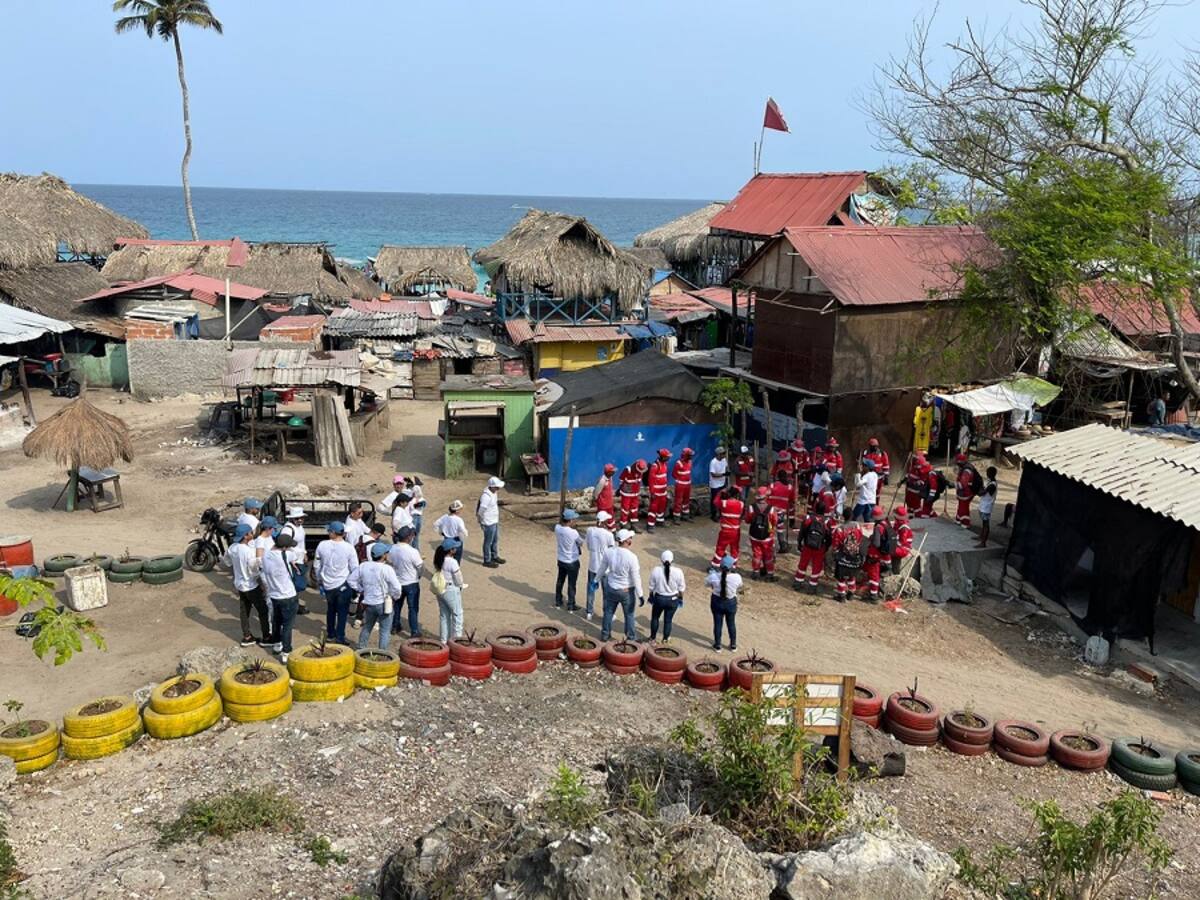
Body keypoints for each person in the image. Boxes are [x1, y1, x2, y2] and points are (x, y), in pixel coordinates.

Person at [222, 523, 269, 647]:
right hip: (251, 585)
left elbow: (226, 561)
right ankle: (266, 636)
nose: (252, 535)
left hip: (240, 585)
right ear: (246, 536)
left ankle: (247, 636)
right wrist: (262, 584)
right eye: (250, 533)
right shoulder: (248, 552)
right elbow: (254, 571)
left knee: (244, 611)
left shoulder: (232, 548)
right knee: (263, 610)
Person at [313, 520, 359, 645]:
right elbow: (355, 568)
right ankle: (340, 637)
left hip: (327, 585)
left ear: (333, 532)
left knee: (331, 610)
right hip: (343, 583)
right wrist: (355, 585)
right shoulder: (349, 548)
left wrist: (319, 580)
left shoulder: (322, 545)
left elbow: (317, 565)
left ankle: (330, 634)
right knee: (342, 612)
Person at [350, 542, 401, 651]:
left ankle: (360, 648)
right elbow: (397, 588)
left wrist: (361, 589)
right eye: (387, 553)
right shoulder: (387, 569)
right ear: (383, 555)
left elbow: (351, 580)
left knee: (367, 627)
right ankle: (382, 653)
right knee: (384, 631)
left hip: (368, 603)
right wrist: (394, 597)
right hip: (383, 604)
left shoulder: (364, 566)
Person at [261, 533, 303, 663]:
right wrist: (290, 551)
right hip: (288, 595)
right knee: (287, 625)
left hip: (274, 595)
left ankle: (277, 644)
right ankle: (286, 651)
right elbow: (297, 554)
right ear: (284, 547)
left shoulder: (266, 556)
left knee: (276, 621)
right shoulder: (286, 555)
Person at [597, 528, 643, 642]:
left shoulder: (609, 552)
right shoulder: (632, 557)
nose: (631, 539)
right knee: (629, 615)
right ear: (626, 541)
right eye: (630, 538)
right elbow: (636, 577)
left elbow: (602, 568)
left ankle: (605, 634)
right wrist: (640, 594)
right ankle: (631, 637)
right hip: (626, 590)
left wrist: (595, 580)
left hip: (611, 587)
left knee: (608, 612)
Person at [388, 526, 424, 636]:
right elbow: (420, 567)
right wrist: (419, 576)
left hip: (398, 582)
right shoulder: (413, 551)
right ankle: (414, 631)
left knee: (397, 606)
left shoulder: (392, 548)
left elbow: (390, 563)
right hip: (411, 582)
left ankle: (395, 626)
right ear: (409, 537)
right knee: (413, 608)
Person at [793, 498, 832, 592]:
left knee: (803, 564)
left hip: (807, 545)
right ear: (824, 510)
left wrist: (799, 543)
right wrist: (826, 547)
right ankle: (812, 586)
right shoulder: (826, 521)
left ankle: (798, 583)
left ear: (815, 508)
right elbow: (829, 537)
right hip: (820, 548)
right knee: (816, 566)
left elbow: (802, 532)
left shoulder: (808, 518)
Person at [706, 555, 742, 653]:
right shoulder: (737, 577)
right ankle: (733, 645)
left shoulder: (713, 576)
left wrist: (712, 575)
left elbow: (707, 584)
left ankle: (718, 645)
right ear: (731, 567)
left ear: (720, 566)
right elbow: (740, 586)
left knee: (718, 623)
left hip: (717, 601)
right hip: (731, 602)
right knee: (731, 623)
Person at [430, 541, 465, 642]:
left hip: (441, 589)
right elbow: (458, 578)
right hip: (451, 589)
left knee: (444, 615)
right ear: (450, 550)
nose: (456, 549)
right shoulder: (452, 562)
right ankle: (457, 641)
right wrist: (461, 585)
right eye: (454, 547)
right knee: (457, 614)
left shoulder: (439, 559)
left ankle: (444, 640)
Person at [648, 550, 686, 642]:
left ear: (661, 559)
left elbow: (651, 587)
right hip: (673, 599)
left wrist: (651, 597)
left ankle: (652, 638)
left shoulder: (656, 570)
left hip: (659, 598)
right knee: (668, 620)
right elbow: (681, 589)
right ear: (672, 560)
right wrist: (680, 599)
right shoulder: (678, 571)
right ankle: (665, 639)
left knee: (655, 618)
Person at [585, 510, 616, 621]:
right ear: (604, 521)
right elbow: (612, 551)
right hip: (605, 568)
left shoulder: (589, 530)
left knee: (591, 590)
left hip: (592, 566)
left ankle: (589, 612)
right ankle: (608, 612)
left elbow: (588, 545)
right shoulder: (609, 535)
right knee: (606, 592)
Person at [279, 507, 310, 614]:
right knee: (296, 585)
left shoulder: (300, 527)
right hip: (293, 561)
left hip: (300, 559)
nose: (300, 520)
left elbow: (302, 542)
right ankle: (292, 605)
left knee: (297, 585)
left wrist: (304, 553)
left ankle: (294, 605)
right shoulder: (288, 529)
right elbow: (284, 545)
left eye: (301, 518)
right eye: (297, 518)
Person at [746, 486, 779, 580]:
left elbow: (748, 520)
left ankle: (755, 573)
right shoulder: (771, 509)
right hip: (767, 536)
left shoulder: (751, 507)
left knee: (756, 554)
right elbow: (775, 522)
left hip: (754, 535)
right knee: (768, 555)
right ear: (766, 497)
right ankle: (770, 574)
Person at [830, 518, 866, 603]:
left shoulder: (840, 529)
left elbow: (835, 543)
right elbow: (860, 538)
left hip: (843, 556)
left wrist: (835, 553)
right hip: (854, 556)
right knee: (851, 576)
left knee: (841, 577)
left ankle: (841, 595)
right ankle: (851, 594)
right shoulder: (857, 527)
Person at [554, 508, 584, 611]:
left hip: (561, 559)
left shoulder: (557, 528)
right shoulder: (573, 532)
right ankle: (571, 604)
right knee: (572, 583)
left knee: (560, 580)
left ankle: (558, 600)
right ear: (570, 520)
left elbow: (559, 525)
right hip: (572, 561)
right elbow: (580, 542)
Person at [860, 506, 892, 603]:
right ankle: (873, 591)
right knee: (875, 575)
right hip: (886, 556)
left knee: (874, 576)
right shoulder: (886, 524)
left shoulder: (878, 528)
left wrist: (871, 540)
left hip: (875, 556)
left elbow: (877, 543)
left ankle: (873, 596)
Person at [711, 485, 745, 568]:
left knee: (720, 548)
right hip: (736, 531)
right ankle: (733, 566)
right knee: (734, 548)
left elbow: (715, 502)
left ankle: (716, 565)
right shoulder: (741, 504)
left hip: (725, 531)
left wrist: (720, 492)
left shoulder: (724, 503)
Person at [477, 476, 505, 568]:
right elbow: (481, 511)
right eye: (497, 487)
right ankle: (487, 560)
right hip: (488, 522)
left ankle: (494, 556)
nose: (498, 488)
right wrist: (481, 521)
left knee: (495, 539)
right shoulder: (486, 496)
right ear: (492, 486)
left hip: (494, 520)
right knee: (488, 542)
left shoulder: (494, 492)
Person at [767, 471, 796, 552]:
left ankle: (770, 547)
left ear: (778, 477)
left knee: (770, 530)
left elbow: (766, 496)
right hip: (781, 513)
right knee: (780, 529)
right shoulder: (789, 487)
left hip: (771, 512)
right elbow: (792, 501)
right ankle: (782, 546)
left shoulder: (772, 485)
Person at [646, 449, 671, 531]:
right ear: (663, 457)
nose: (668, 458)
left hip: (663, 492)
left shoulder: (664, 464)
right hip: (656, 492)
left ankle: (660, 521)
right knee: (653, 508)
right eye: (667, 457)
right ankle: (650, 525)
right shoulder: (655, 466)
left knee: (662, 507)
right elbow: (651, 481)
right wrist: (652, 493)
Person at [953, 453, 981, 527]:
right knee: (961, 507)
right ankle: (958, 520)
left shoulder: (967, 470)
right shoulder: (966, 468)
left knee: (964, 508)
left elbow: (963, 484)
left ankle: (965, 523)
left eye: (958, 462)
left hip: (966, 492)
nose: (957, 464)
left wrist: (953, 485)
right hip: (964, 492)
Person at [618, 459, 646, 530]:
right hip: (626, 494)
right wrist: (620, 490)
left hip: (635, 494)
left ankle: (634, 524)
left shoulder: (641, 471)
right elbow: (621, 480)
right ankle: (623, 524)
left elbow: (638, 482)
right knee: (625, 509)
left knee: (634, 509)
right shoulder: (628, 470)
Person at [670, 448, 694, 522]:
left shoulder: (690, 462)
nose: (691, 457)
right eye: (690, 455)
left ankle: (685, 515)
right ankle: (676, 517)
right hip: (680, 485)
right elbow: (674, 474)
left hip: (688, 484)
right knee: (678, 500)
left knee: (686, 500)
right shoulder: (678, 463)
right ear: (686, 455)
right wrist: (680, 480)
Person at [977, 466, 998, 547]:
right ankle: (981, 537)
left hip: (987, 506)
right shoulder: (990, 482)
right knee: (984, 523)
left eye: (988, 472)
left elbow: (981, 493)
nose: (987, 474)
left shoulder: (992, 485)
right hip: (984, 505)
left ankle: (983, 542)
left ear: (991, 474)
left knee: (986, 524)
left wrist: (979, 489)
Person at [891, 505, 915, 573]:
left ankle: (893, 571)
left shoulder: (904, 527)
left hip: (903, 548)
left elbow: (902, 542)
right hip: (898, 546)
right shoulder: (898, 523)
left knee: (887, 550)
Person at [594, 463, 617, 530]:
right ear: (608, 472)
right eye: (612, 472)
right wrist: (595, 500)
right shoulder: (602, 481)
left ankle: (613, 530)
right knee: (601, 518)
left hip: (609, 503)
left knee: (611, 517)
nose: (614, 473)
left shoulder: (610, 478)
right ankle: (599, 530)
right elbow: (596, 492)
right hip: (602, 505)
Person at [708, 446, 729, 521]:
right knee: (714, 500)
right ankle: (713, 515)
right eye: (723, 453)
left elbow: (726, 467)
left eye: (724, 453)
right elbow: (713, 474)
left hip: (722, 483)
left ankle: (720, 513)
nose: (724, 455)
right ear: (718, 454)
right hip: (715, 484)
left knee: (722, 499)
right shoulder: (713, 462)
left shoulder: (724, 460)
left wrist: (726, 473)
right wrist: (723, 474)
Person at [404, 476, 427, 542]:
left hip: (418, 516)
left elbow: (421, 502)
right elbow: (414, 505)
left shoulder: (416, 496)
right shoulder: (408, 493)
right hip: (412, 517)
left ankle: (415, 550)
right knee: (412, 536)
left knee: (415, 535)